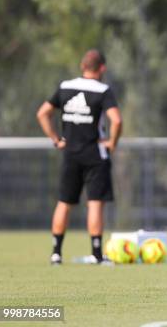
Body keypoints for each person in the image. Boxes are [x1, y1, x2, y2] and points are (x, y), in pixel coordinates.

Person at [36, 49, 122, 265]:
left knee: (64, 203)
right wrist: (112, 142)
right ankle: (96, 254)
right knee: (94, 203)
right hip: (95, 154)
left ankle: (56, 253)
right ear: (101, 68)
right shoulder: (103, 90)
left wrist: (56, 139)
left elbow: (42, 113)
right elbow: (117, 121)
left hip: (70, 154)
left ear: (83, 66)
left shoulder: (66, 87)